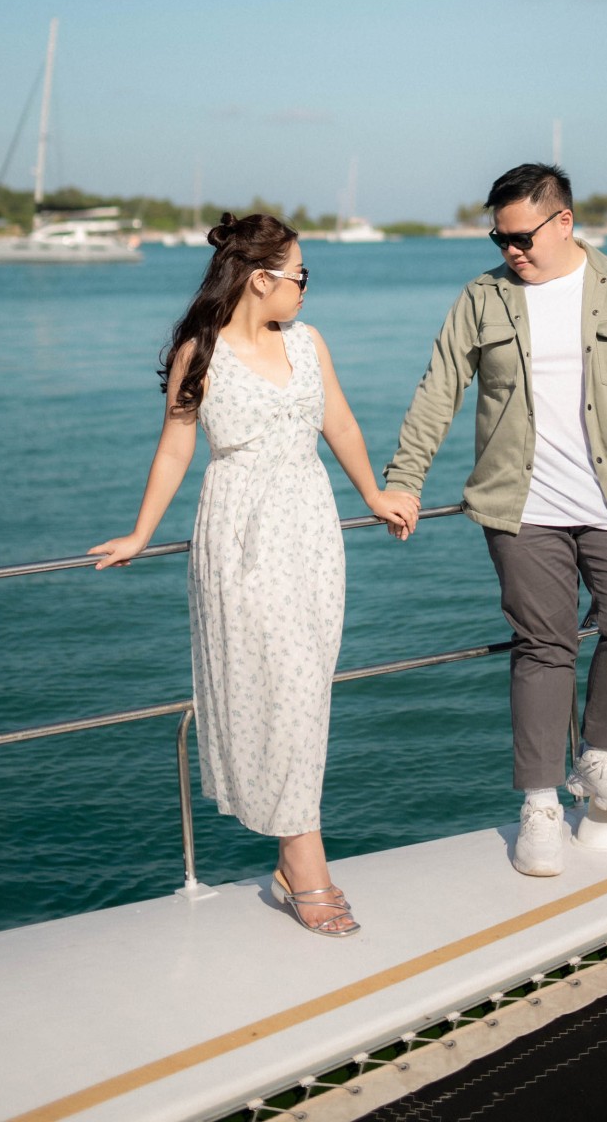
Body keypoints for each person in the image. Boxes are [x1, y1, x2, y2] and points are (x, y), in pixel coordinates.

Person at [89, 211, 417, 934]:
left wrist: (373, 493)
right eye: (301, 274)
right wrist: (142, 532)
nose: (306, 287)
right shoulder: (199, 352)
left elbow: (340, 424)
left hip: (311, 528)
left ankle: (294, 850)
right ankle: (304, 861)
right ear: (262, 278)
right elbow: (176, 447)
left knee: (307, 690)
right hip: (240, 535)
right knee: (277, 690)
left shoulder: (308, 341)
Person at [383, 163, 607, 877]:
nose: (510, 250)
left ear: (564, 221)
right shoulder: (482, 297)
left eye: (521, 236)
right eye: (499, 237)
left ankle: (601, 755)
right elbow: (438, 390)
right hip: (521, 507)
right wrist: (404, 479)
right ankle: (541, 803)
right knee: (544, 645)